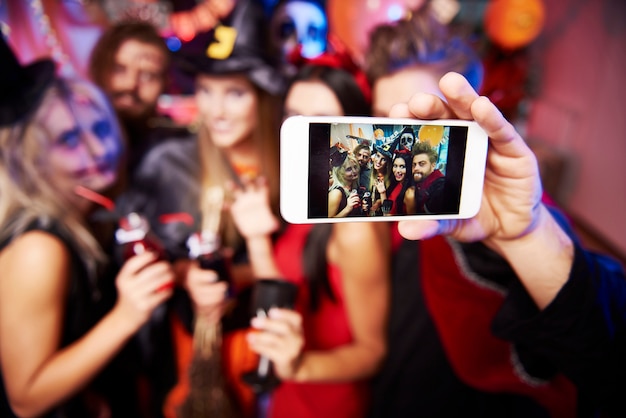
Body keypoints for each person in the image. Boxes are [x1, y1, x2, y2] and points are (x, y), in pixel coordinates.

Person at [365, 6, 624, 418]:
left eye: (421, 122)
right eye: (385, 121)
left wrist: (529, 236)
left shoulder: (523, 219)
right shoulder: (400, 198)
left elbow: (601, 340)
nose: (400, 139)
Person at [120, 1, 285, 416]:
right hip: (187, 346)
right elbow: (135, 253)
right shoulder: (168, 161)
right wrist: (187, 275)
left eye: (234, 93)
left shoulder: (291, 170)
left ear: (262, 97)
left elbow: (302, 267)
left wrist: (241, 272)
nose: (216, 110)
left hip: (265, 345)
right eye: (206, 91)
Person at [0, 37, 175, 417]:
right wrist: (126, 316)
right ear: (33, 158)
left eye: (99, 129)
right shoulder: (38, 247)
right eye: (68, 140)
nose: (97, 152)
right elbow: (26, 398)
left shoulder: (85, 218)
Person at [229, 61, 389, 418]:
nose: (303, 134)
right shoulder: (310, 196)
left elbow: (372, 352)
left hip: (326, 400)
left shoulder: (355, 227)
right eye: (294, 118)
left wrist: (299, 366)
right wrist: (256, 240)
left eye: (320, 122)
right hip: (287, 393)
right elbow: (288, 287)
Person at [88, 20, 185, 176]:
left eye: (147, 75)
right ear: (97, 70)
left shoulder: (174, 155)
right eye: (119, 70)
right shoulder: (73, 145)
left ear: (165, 83)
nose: (131, 84)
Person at [404, 141, 446, 214]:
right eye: (414, 165)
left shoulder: (440, 187)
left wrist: (411, 208)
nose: (416, 168)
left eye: (422, 164)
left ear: (433, 166)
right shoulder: (420, 182)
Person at [379, 148, 412, 215]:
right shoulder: (396, 184)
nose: (397, 170)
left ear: (409, 168)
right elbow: (388, 211)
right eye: (395, 166)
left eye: (402, 167)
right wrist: (382, 192)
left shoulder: (410, 192)